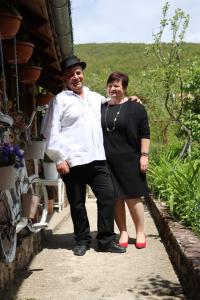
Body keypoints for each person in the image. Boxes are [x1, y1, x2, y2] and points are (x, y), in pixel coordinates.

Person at [41, 55, 127, 256]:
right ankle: (82, 240)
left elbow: (114, 102)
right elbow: (50, 131)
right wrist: (58, 158)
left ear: (83, 74)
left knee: (107, 197)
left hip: (97, 158)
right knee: (77, 204)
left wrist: (128, 99)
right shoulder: (59, 101)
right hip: (73, 162)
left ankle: (106, 240)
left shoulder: (95, 97)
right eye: (70, 75)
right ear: (65, 79)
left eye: (78, 73)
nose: (76, 77)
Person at [101, 71, 150, 249]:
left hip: (130, 159)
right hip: (107, 161)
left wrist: (144, 155)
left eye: (117, 85)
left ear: (124, 88)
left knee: (132, 197)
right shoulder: (102, 107)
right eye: (110, 85)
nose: (113, 89)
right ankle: (122, 231)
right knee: (115, 198)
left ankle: (140, 232)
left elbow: (145, 133)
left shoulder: (135, 107)